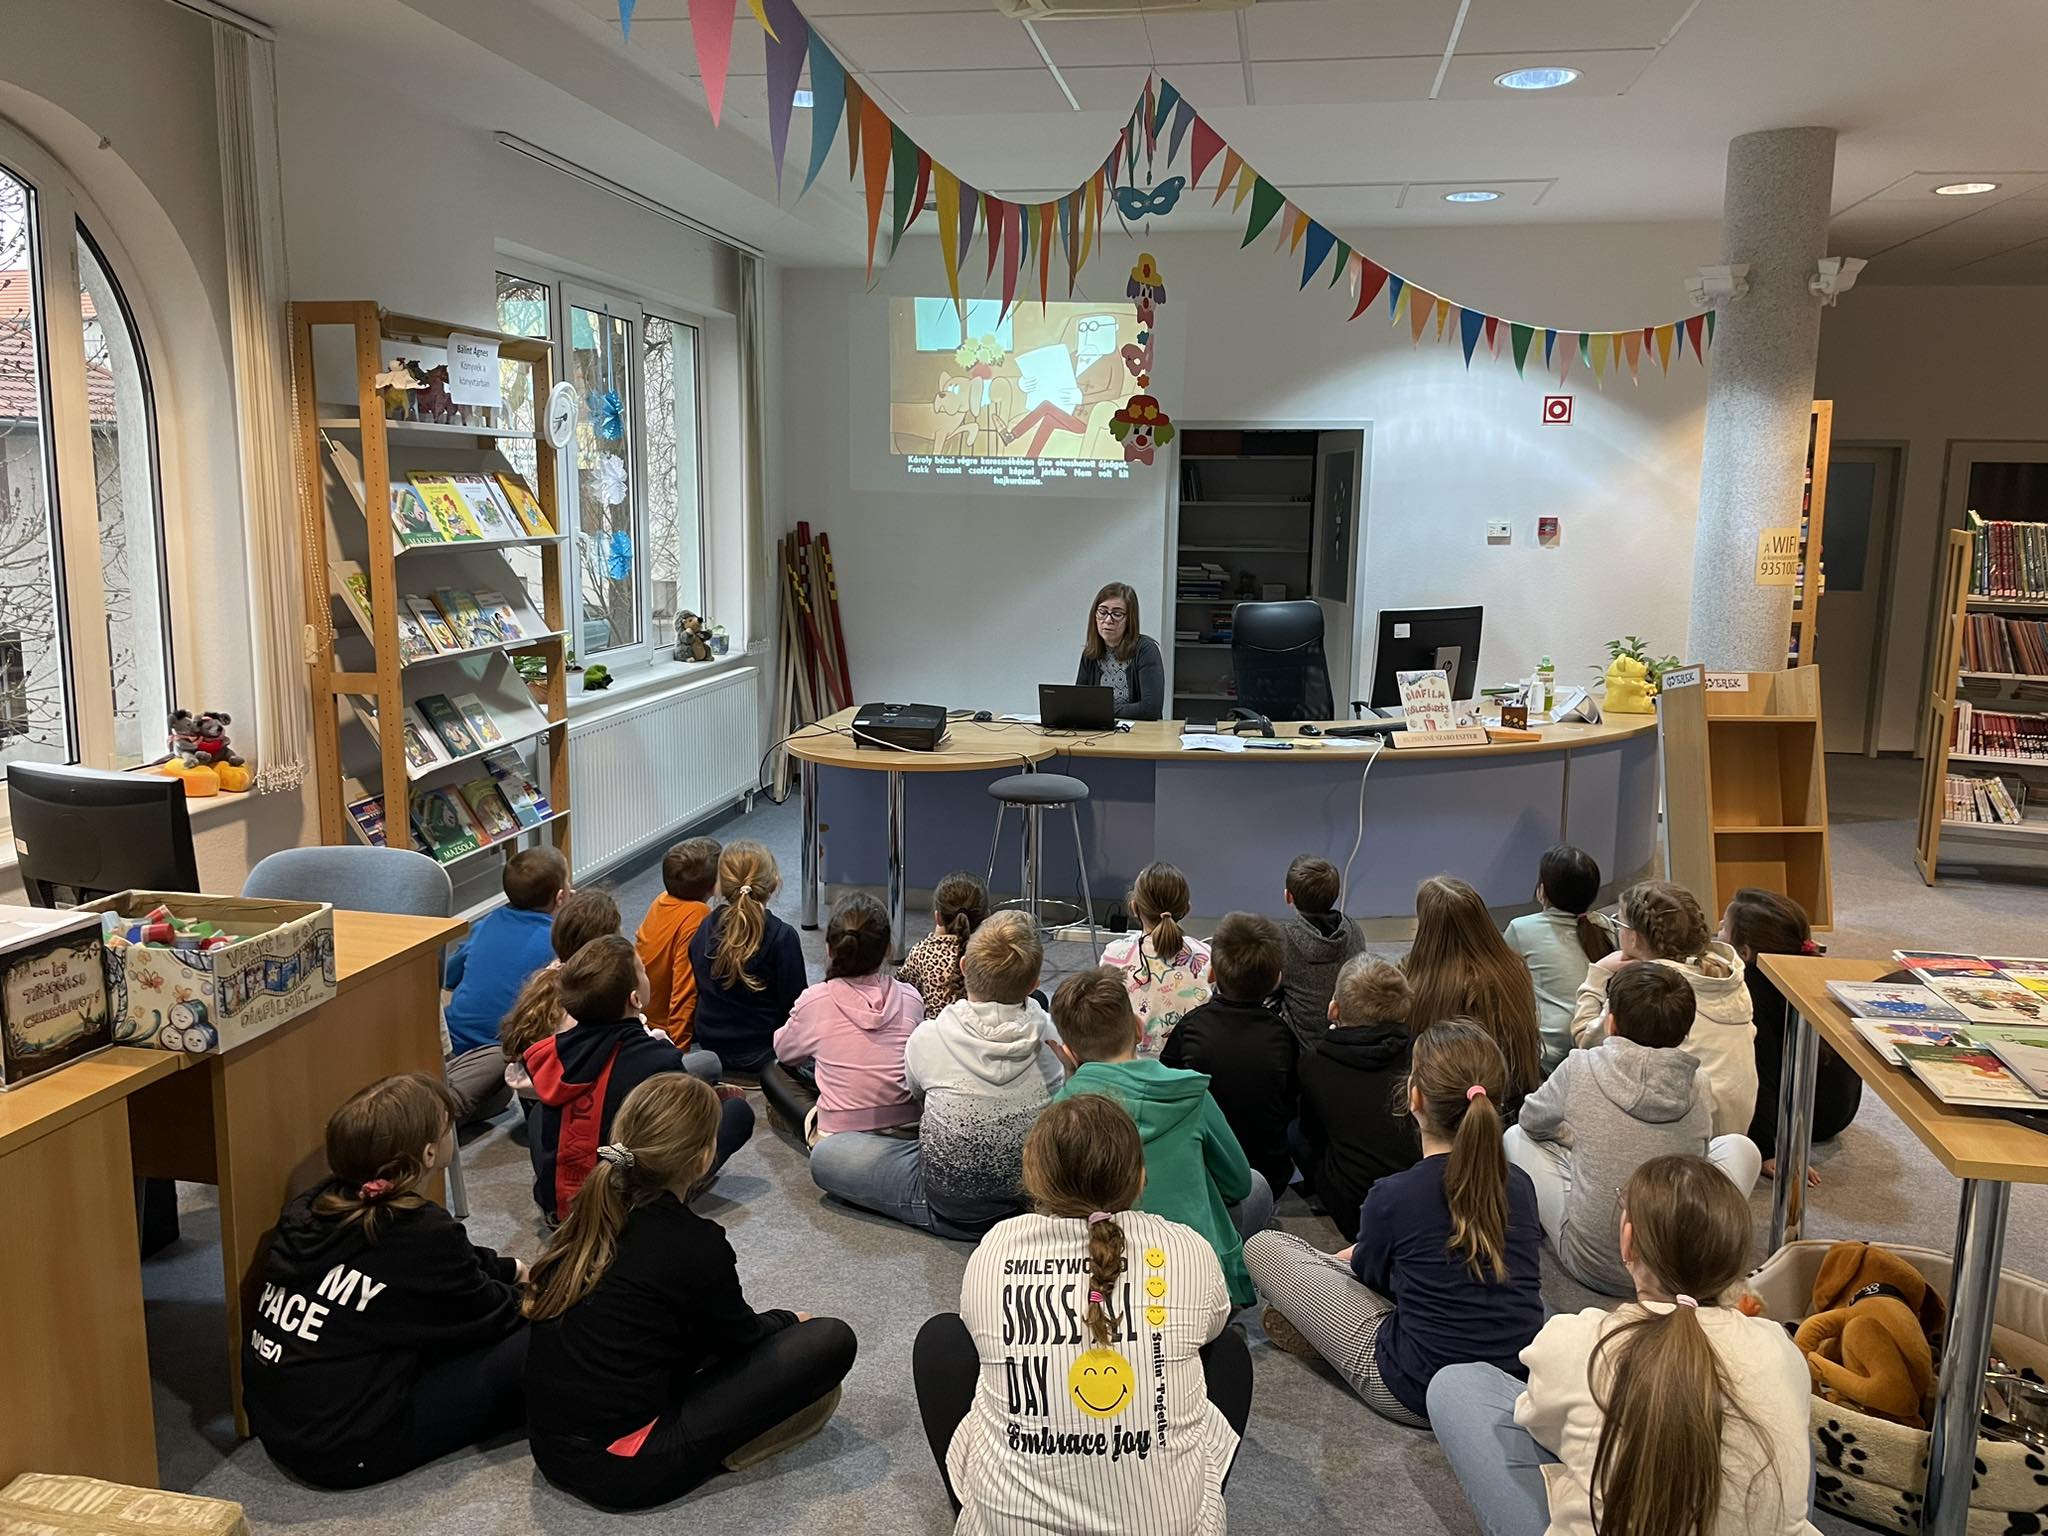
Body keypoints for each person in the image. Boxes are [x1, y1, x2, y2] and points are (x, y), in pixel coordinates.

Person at [1429, 1155, 1820, 1536]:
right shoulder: (1779, 1347)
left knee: (1458, 1385)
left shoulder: (1577, 1340)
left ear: (1628, 1241)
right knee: (1787, 1427)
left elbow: (1540, 1427)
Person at [912, 1094, 1251, 1533]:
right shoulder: (1189, 1249)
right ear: (1141, 1176)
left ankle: (991, 1502)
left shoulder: (996, 1247)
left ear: (1032, 1175)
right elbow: (1213, 1325)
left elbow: (979, 1333)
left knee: (942, 1341)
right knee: (1227, 1353)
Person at [525, 1075, 858, 1509]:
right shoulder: (693, 1243)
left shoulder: (591, 1215)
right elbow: (738, 1338)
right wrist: (789, 1320)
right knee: (829, 1338)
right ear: (703, 1158)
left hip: (550, 1449)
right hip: (619, 1468)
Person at [1243, 1021, 1544, 1427]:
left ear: (1414, 1096)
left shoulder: (1394, 1195)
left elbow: (1371, 1277)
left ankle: (1320, 1325)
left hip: (1415, 1390)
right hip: (1511, 1381)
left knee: (1265, 1247)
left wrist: (1350, 1259)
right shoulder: (1520, 1185)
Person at [242, 1073, 528, 1487]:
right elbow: (493, 1315)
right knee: (542, 1336)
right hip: (346, 1449)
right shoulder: (419, 1232)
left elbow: (446, 1270)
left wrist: (510, 1268)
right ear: (429, 1152)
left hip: (284, 1425)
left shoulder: (313, 1205)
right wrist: (537, 1293)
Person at [1505, 965, 1763, 1296]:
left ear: (1610, 1022)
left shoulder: (1579, 1066)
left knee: (1515, 1137)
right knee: (1742, 1148)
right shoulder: (1698, 1083)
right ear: (1685, 1033)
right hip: (1675, 1262)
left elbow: (1530, 1121)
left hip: (1592, 1264)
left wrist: (1574, 1141)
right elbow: (1695, 1171)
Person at [810, 911, 1063, 1239]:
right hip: (1025, 1201)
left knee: (826, 1155)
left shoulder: (929, 1035)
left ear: (964, 966)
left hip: (940, 1202)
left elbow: (916, 1095)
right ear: (1034, 984)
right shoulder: (1054, 1039)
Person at [1050, 965, 1271, 1310]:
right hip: (1195, 1277)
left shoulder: (1059, 1114)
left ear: (1070, 1052)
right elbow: (1238, 1184)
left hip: (1102, 1275)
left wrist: (1071, 1080)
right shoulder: (1190, 1093)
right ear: (1138, 1029)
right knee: (1257, 1187)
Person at [527, 935, 754, 1224]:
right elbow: (678, 1134)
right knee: (736, 1110)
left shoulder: (552, 1053)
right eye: (643, 970)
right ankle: (676, 1194)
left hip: (558, 1207)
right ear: (635, 999)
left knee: (542, 1113)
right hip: (622, 1212)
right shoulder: (656, 1060)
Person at [1571, 879, 1758, 1139]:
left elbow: (1586, 1040)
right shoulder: (1729, 974)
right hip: (1734, 1130)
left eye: (1619, 923)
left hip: (1677, 1132)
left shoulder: (1647, 988)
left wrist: (1598, 974)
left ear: (1634, 937)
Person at [502, 891, 720, 1099]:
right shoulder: (602, 996)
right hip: (599, 1089)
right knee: (708, 1062)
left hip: (540, 1090)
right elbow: (638, 1054)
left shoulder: (544, 979)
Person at [1723, 887, 1861, 1184]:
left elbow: (1761, 1071)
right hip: (1839, 1106)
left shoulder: (1751, 991)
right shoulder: (1810, 968)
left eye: (1724, 929)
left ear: (1745, 952)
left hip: (1810, 1116)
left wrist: (1768, 1149)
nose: (1718, 931)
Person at [765, 892, 922, 1147]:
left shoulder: (814, 1000)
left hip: (836, 1144)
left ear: (829, 948)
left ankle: (815, 1126)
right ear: (888, 950)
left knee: (773, 1070)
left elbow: (784, 1052)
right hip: (907, 1132)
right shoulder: (911, 997)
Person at [1161, 911, 1299, 1198]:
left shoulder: (1190, 1027)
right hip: (1267, 1174)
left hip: (1203, 1168)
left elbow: (1168, 1091)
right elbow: (1290, 1102)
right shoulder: (1282, 1035)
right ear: (1276, 979)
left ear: (1212, 973)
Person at [1295, 956, 1421, 1243]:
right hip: (1420, 1198)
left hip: (1354, 1208)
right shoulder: (1423, 1052)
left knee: (1297, 1130)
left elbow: (1311, 1135)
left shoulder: (1314, 1064)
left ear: (1334, 1009)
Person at [442, 847, 569, 1125]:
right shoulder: (558, 940)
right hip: (499, 1051)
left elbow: (449, 976)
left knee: (499, 1098)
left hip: (449, 1038)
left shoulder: (486, 924)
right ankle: (430, 1120)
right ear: (561, 897)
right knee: (497, 1087)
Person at [1404, 875, 1543, 1107]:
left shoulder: (1417, 982)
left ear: (1427, 927)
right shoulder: (1514, 968)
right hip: (1514, 1097)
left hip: (1446, 1108)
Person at [688, 841, 808, 1077]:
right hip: (763, 1050)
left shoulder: (705, 926)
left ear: (719, 885)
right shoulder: (782, 936)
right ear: (774, 882)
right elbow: (796, 1007)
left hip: (711, 1045)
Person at [1502, 844, 1617, 1075]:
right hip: (1599, 1046)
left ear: (1542, 891)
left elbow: (1503, 984)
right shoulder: (1604, 925)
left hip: (1549, 1056)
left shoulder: (1521, 929)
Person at [1101, 861, 1212, 1056]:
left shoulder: (1113, 955)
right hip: (1189, 1063)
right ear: (1186, 909)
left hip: (1129, 1064)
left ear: (1134, 907)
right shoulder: (1206, 956)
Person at [1276, 853, 1368, 1057]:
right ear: (1336, 894)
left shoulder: (1282, 939)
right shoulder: (1354, 930)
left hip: (1301, 1049)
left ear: (1288, 896)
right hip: (1349, 1044)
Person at [633, 836, 721, 1048]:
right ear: (714, 886)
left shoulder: (662, 899)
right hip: (666, 1026)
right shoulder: (698, 916)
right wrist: (679, 1049)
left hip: (641, 1011)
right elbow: (684, 987)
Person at [896, 870, 988, 1020]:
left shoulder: (922, 953)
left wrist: (933, 940)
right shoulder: (992, 954)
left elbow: (900, 987)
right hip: (983, 1032)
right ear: (987, 916)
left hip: (936, 1032)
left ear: (938, 917)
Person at [1074, 579, 1164, 720]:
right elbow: (1079, 702)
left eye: (1117, 614)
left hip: (1138, 730)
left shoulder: (1146, 649)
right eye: (1102, 612)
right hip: (1099, 728)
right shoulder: (1090, 653)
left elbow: (1150, 709)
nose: (1108, 620)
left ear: (1130, 619)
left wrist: (1100, 710)